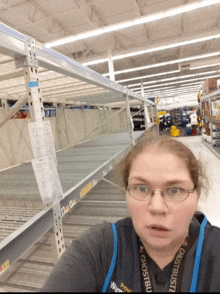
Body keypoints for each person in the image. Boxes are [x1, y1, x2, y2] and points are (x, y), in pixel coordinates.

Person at [40, 135, 220, 292]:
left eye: (174, 190)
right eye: (141, 188)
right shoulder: (100, 250)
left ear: (196, 196)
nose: (157, 207)